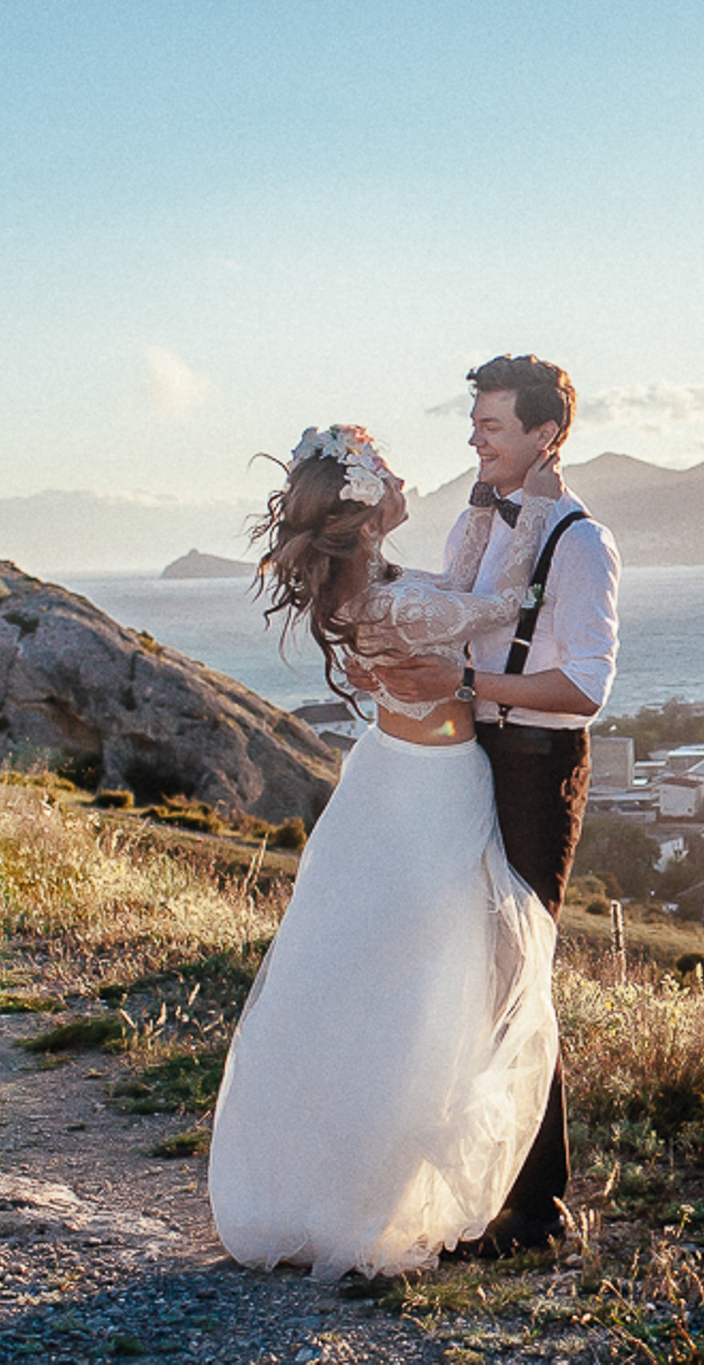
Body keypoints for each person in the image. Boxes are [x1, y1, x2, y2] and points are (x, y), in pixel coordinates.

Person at [206, 424, 568, 1278]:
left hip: (390, 777)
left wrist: (482, 510)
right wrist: (537, 505)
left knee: (374, 967)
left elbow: (455, 587)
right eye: (389, 476)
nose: (404, 482)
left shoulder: (373, 591)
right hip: (432, 788)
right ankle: (377, 1191)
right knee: (429, 973)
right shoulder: (394, 603)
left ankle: (350, 1178)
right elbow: (500, 603)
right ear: (367, 515)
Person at [363, 353, 619, 1255]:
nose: (475, 439)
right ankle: (481, 1190)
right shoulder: (476, 529)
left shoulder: (580, 543)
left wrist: (463, 682)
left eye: (492, 425)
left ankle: (537, 1209)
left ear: (546, 433)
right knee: (471, 972)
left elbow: (586, 687)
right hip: (473, 757)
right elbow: (456, 621)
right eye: (474, 423)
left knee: (517, 972)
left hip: (538, 766)